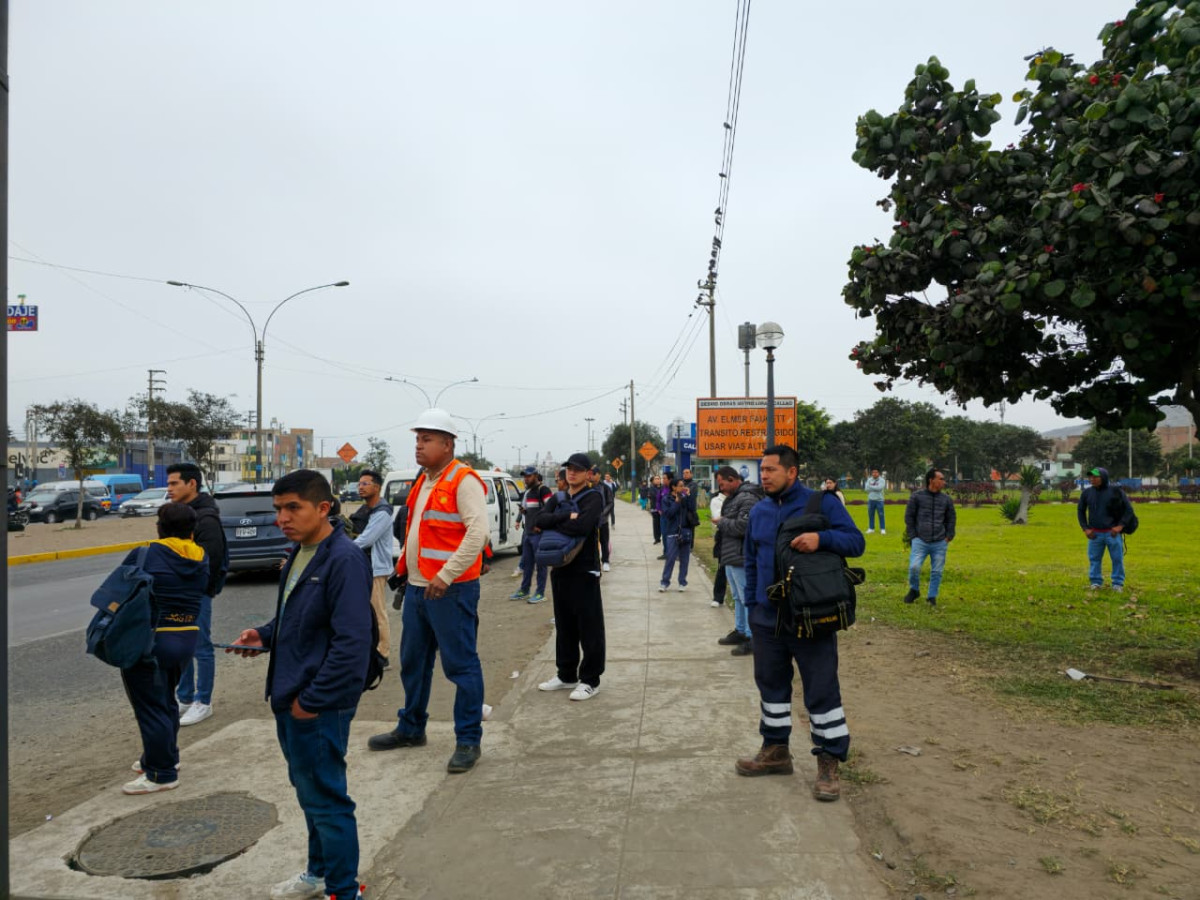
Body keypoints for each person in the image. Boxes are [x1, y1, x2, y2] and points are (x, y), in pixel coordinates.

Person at [229, 470, 372, 900]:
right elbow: (298, 617)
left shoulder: (343, 559)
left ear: (323, 508)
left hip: (316, 705)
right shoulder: (299, 553)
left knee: (327, 801)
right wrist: (263, 635)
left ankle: (343, 891)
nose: (282, 518)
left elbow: (352, 644)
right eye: (278, 509)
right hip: (291, 696)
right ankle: (319, 872)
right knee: (311, 795)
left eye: (293, 508)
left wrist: (311, 702)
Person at [736, 444, 865, 803]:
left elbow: (856, 542)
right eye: (762, 470)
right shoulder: (759, 511)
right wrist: (752, 607)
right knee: (771, 686)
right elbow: (750, 560)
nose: (764, 476)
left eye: (771, 470)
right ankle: (776, 750)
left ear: (791, 472)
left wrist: (821, 538)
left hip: (811, 616)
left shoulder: (821, 504)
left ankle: (829, 761)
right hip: (767, 619)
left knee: (821, 689)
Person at [368, 409, 489, 774]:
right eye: (417, 439)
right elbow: (418, 531)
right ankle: (411, 727)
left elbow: (478, 533)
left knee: (461, 667)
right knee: (414, 663)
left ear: (447, 444)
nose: (418, 446)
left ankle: (468, 740)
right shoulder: (424, 480)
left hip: (451, 591)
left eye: (426, 439)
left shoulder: (463, 480)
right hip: (419, 591)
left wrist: (446, 575)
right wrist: (405, 573)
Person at [120, 502, 209, 794]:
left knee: (151, 707)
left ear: (160, 527)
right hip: (186, 637)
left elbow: (121, 589)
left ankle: (161, 774)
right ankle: (164, 757)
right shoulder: (200, 556)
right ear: (191, 530)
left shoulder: (146, 554)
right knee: (166, 701)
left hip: (152, 640)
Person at [536, 452, 606, 700]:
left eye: (577, 469)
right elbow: (538, 520)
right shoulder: (559, 497)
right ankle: (566, 675)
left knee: (589, 627)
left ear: (588, 474)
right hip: (560, 568)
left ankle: (591, 680)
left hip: (585, 570)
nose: (572, 473)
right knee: (564, 625)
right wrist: (566, 516)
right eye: (569, 469)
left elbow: (583, 527)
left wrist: (554, 522)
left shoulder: (593, 497)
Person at [166, 462, 228, 727]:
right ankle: (185, 697)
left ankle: (203, 701)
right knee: (181, 645)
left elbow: (211, 560)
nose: (169, 489)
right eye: (168, 483)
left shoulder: (205, 518)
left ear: (191, 484)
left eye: (174, 483)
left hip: (196, 592)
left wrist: (197, 588)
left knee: (200, 646)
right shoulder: (179, 514)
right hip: (178, 590)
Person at [713, 466, 763, 656]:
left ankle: (752, 637)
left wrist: (722, 522)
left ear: (732, 479)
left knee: (746, 597)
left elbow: (744, 526)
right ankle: (740, 630)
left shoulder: (747, 498)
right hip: (731, 553)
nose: (721, 488)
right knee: (736, 596)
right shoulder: (735, 497)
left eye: (722, 484)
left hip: (742, 555)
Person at [350, 469, 395, 661]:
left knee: (377, 613)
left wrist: (342, 549)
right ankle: (368, 651)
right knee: (363, 613)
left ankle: (382, 654)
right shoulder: (366, 510)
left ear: (377, 487)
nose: (360, 487)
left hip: (376, 569)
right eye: (359, 484)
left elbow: (366, 539)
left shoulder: (382, 512)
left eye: (365, 484)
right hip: (364, 566)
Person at [904, 468, 956, 606]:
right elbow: (909, 517)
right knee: (914, 568)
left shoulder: (946, 499)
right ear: (931, 480)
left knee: (937, 571)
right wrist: (913, 536)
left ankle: (932, 596)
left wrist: (949, 536)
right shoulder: (917, 497)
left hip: (940, 541)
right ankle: (914, 590)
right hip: (920, 540)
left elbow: (951, 519)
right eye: (941, 479)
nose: (944, 482)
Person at [1077, 466, 1133, 592]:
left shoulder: (1115, 491)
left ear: (1103, 477)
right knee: (1094, 559)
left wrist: (1120, 526)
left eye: (1095, 477)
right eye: (1090, 477)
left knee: (1117, 559)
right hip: (1094, 534)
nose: (1092, 479)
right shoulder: (1087, 493)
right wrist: (1085, 528)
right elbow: (1080, 511)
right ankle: (1095, 582)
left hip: (1112, 533)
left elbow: (1128, 510)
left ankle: (1117, 583)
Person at [512, 465, 552, 603]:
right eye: (525, 476)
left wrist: (542, 526)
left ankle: (540, 593)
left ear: (536, 476)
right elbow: (533, 512)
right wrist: (524, 512)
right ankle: (524, 590)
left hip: (539, 535)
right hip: (528, 533)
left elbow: (551, 509)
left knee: (541, 565)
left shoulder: (543, 490)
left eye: (529, 476)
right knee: (527, 564)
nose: (526, 479)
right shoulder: (529, 492)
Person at [657, 476, 692, 592]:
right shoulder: (666, 499)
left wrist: (689, 496)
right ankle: (664, 582)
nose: (683, 488)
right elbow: (668, 514)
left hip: (685, 531)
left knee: (684, 559)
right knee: (670, 558)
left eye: (683, 486)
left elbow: (692, 509)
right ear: (674, 487)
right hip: (672, 531)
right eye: (680, 486)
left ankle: (682, 582)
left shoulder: (685, 498)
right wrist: (676, 503)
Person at [589, 466, 615, 572]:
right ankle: (593, 562)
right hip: (590, 521)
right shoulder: (588, 487)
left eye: (594, 474)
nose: (592, 476)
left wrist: (603, 513)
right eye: (590, 474)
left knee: (604, 541)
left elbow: (610, 503)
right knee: (591, 542)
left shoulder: (605, 488)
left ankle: (605, 561)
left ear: (599, 475)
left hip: (602, 520)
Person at [709, 483, 728, 609]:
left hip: (737, 536)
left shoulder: (738, 499)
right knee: (722, 567)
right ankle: (718, 597)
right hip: (723, 535)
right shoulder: (716, 500)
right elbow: (717, 519)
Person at [864, 468, 887, 534]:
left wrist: (870, 486)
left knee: (881, 514)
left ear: (878, 473)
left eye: (876, 472)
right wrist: (873, 488)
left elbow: (879, 488)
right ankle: (871, 528)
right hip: (871, 500)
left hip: (879, 500)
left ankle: (882, 529)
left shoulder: (882, 480)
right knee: (871, 515)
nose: (874, 474)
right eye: (873, 472)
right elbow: (866, 489)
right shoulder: (869, 480)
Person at [649, 475, 663, 547]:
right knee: (656, 524)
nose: (657, 480)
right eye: (656, 479)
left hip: (663, 509)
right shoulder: (652, 488)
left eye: (658, 479)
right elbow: (655, 496)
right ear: (653, 481)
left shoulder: (663, 487)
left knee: (662, 524)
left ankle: (662, 537)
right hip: (655, 509)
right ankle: (657, 538)